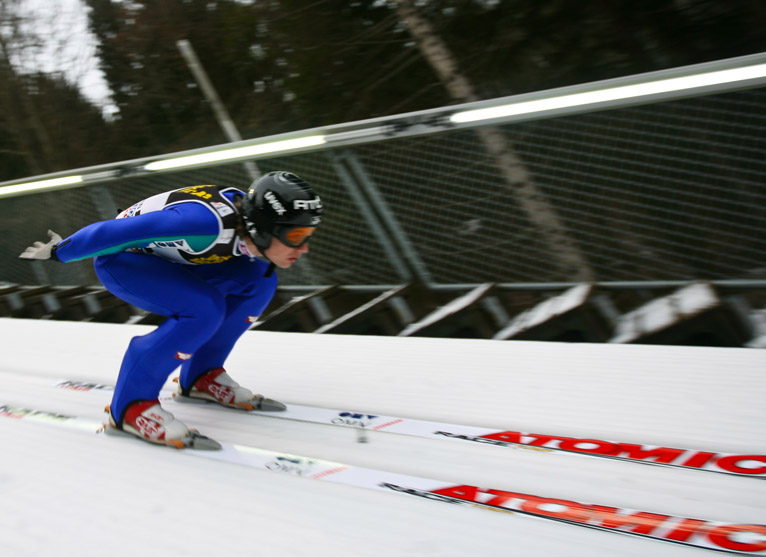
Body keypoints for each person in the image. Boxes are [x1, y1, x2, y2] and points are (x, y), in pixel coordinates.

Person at [19, 171, 323, 449]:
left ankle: (202, 376)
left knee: (260, 281)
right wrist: (60, 252)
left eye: (308, 236)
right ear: (264, 228)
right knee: (203, 311)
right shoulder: (203, 225)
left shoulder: (244, 225)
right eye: (296, 237)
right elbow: (114, 232)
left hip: (173, 257)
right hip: (123, 259)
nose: (305, 248)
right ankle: (130, 408)